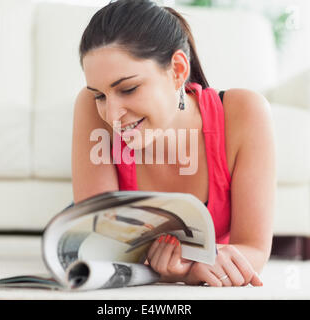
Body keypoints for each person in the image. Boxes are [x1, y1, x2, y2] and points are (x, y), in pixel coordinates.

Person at [72, 0, 276, 287]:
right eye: (100, 95)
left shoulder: (245, 113)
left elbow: (254, 250)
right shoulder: (91, 108)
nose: (112, 115)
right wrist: (184, 270)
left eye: (128, 89)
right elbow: (102, 246)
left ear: (178, 70)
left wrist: (185, 268)